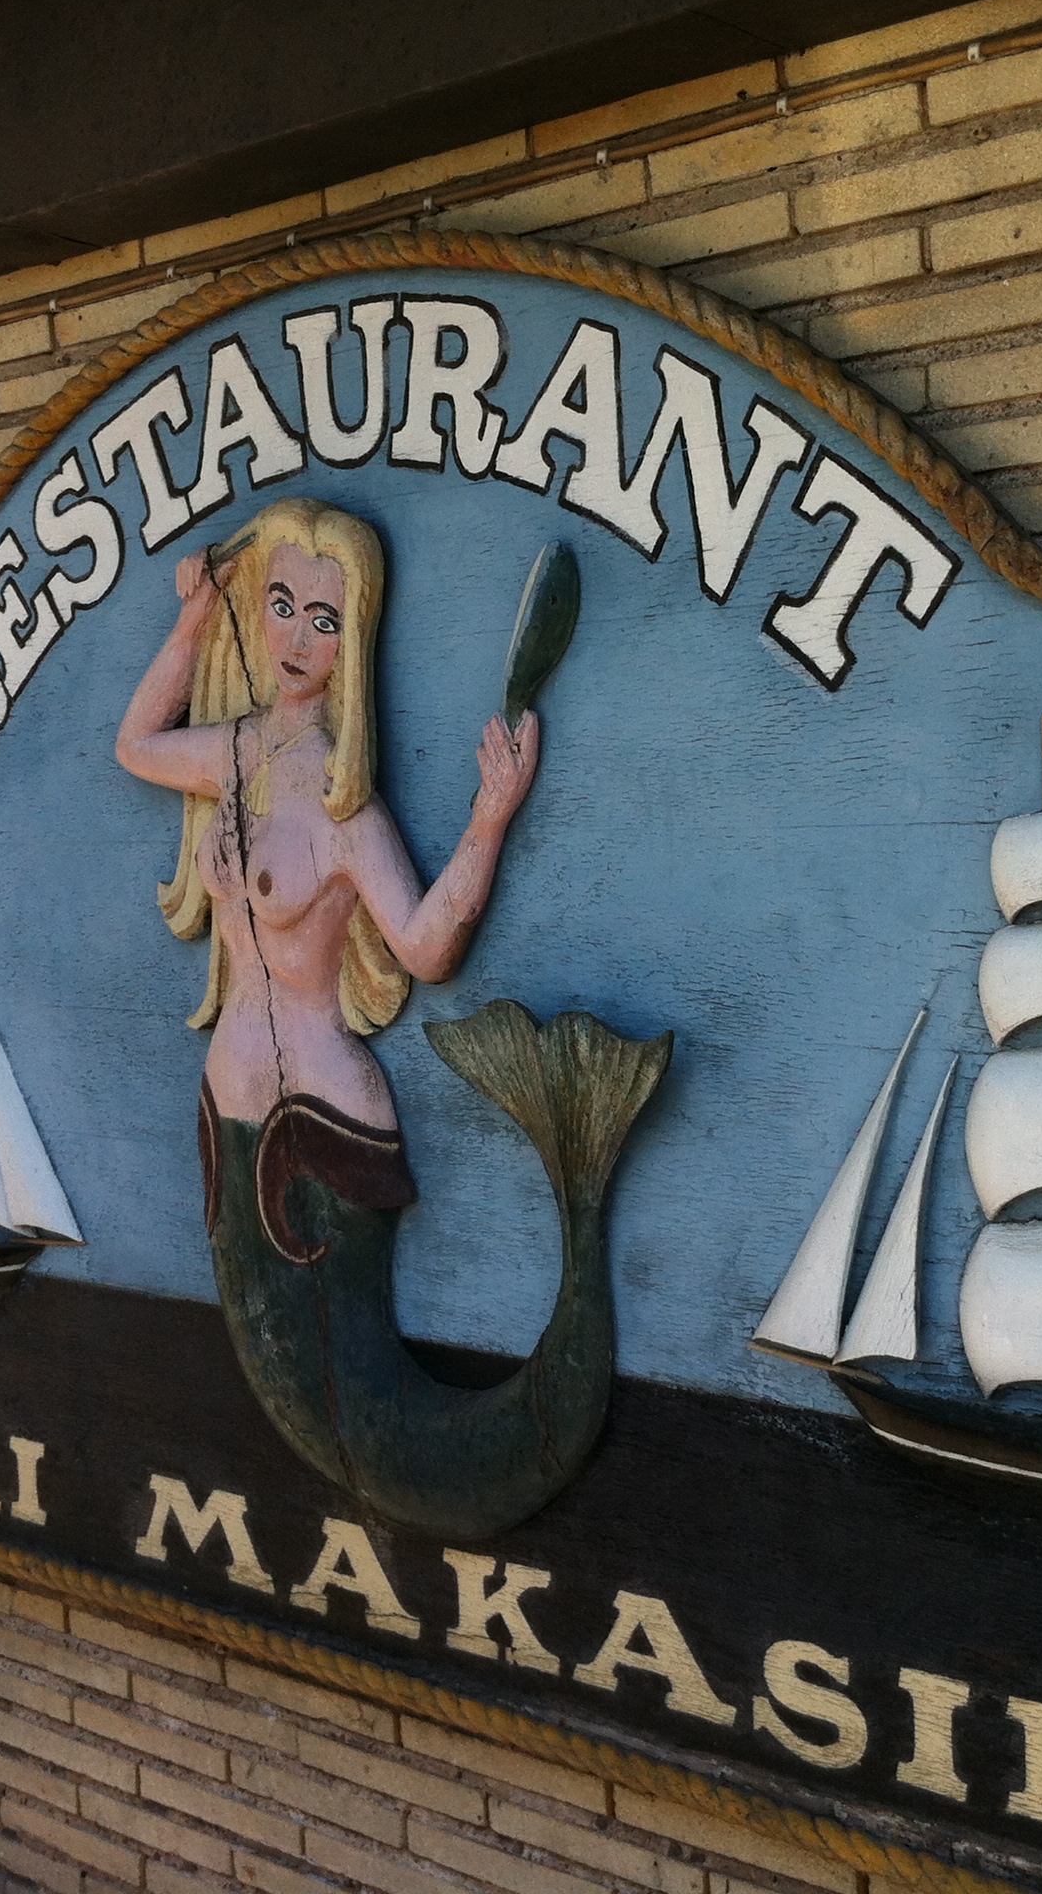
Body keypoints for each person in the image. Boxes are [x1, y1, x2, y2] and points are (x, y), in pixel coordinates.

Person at [119, 496, 622, 1535]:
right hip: (228, 1119)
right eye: (282, 605)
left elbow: (428, 946)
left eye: (327, 619)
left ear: (354, 639)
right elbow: (136, 742)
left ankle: (576, 1248)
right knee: (296, 1389)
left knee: (361, 1409)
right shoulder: (233, 754)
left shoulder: (346, 806)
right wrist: (193, 622)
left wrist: (489, 819)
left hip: (322, 1137)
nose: (299, 638)